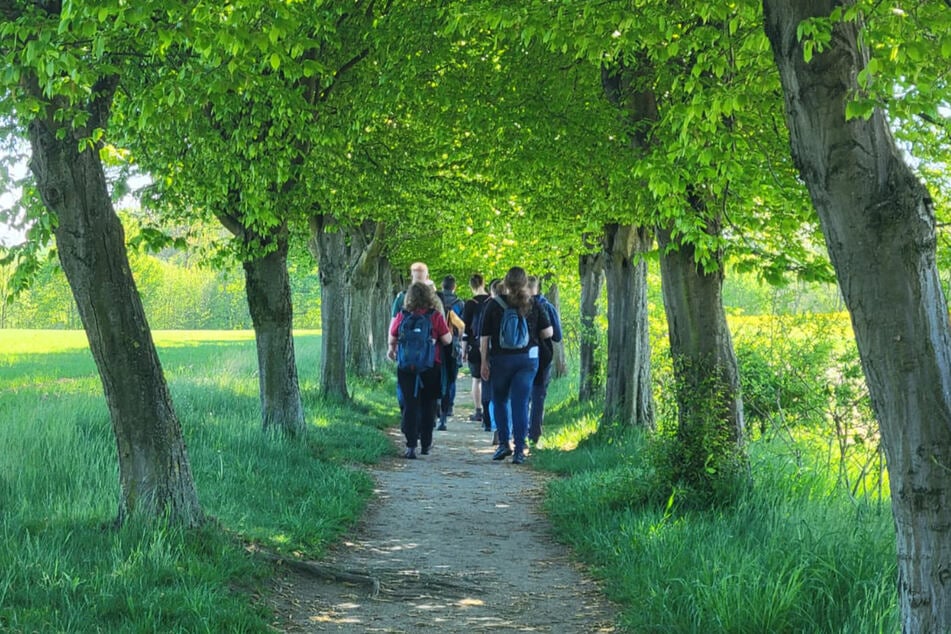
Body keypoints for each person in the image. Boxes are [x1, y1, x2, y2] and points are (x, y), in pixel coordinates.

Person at [480, 267, 553, 464]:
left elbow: (484, 337)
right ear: (524, 283)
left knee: (501, 400)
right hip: (527, 360)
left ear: (505, 282)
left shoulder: (494, 305)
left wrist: (484, 362)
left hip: (501, 360)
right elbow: (548, 333)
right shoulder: (534, 304)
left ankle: (504, 444)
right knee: (520, 403)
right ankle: (520, 449)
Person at [388, 281, 452, 459]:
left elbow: (393, 337)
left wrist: (392, 351)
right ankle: (425, 444)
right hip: (431, 365)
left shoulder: (403, 315)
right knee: (428, 404)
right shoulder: (435, 316)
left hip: (407, 366)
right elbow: (447, 340)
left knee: (410, 404)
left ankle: (410, 446)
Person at [527, 275, 563, 449]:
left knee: (522, 395)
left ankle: (517, 431)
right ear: (538, 287)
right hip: (543, 357)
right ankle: (534, 434)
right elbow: (557, 336)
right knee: (539, 395)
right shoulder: (547, 307)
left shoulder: (517, 306)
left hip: (522, 356)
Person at [436, 275, 466, 429]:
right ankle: (448, 407)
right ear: (454, 287)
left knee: (437, 377)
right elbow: (462, 327)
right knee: (450, 379)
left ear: (442, 286)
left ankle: (436, 405)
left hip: (436, 346)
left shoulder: (434, 304)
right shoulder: (458, 304)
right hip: (452, 345)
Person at [461, 274, 491, 427]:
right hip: (489, 345)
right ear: (483, 283)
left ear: (471, 286)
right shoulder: (491, 301)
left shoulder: (470, 303)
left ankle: (478, 410)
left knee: (476, 379)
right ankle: (489, 411)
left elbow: (465, 328)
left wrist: (463, 350)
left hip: (474, 345)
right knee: (489, 378)